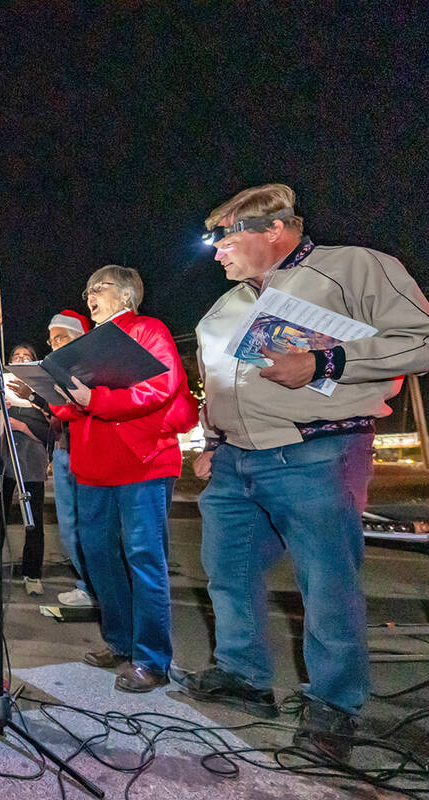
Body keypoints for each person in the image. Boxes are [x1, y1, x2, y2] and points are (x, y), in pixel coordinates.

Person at [175, 184, 429, 761]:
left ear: (276, 229)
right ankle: (244, 678)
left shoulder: (352, 268)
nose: (216, 253)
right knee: (228, 573)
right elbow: (217, 384)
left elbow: (421, 338)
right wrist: (213, 439)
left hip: (317, 452)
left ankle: (335, 705)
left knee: (327, 584)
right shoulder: (226, 308)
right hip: (235, 461)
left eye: (225, 238)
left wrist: (326, 361)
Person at [51, 266, 197, 692]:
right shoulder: (86, 344)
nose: (91, 296)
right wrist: (50, 394)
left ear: (128, 295)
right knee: (98, 556)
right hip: (94, 464)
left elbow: (161, 386)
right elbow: (70, 409)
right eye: (88, 289)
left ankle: (151, 659)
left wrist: (94, 398)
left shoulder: (148, 329)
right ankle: (118, 641)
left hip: (143, 460)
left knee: (143, 557)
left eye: (101, 288)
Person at [45, 311, 96, 608]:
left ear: (80, 338)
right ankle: (86, 583)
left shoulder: (94, 368)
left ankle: (100, 586)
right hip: (64, 451)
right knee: (68, 526)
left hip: (88, 451)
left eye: (61, 337)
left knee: (92, 525)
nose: (55, 345)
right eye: (51, 340)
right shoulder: (55, 369)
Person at [3, 344, 51, 598]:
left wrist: (21, 425)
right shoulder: (0, 387)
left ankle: (32, 573)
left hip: (31, 462)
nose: (20, 359)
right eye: (15, 356)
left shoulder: (41, 390)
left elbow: (50, 431)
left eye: (26, 357)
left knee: (32, 522)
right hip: (3, 461)